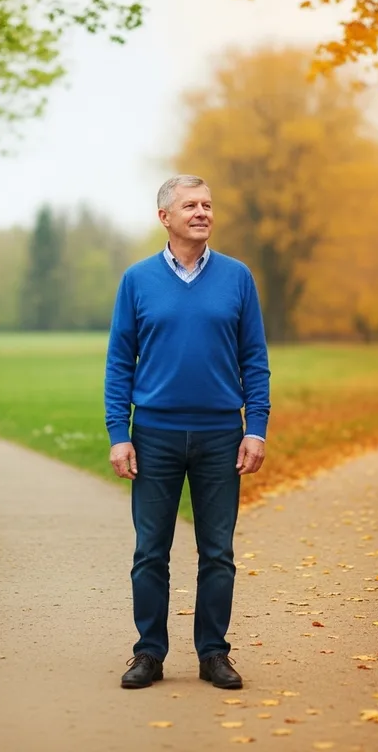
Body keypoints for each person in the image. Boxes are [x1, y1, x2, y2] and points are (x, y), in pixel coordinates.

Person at [104, 174, 271, 690]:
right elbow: (119, 364)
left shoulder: (238, 278)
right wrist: (119, 432)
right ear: (165, 218)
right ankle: (148, 653)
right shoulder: (137, 280)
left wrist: (256, 427)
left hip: (222, 433)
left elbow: (254, 360)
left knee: (217, 551)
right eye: (190, 205)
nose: (201, 212)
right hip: (154, 434)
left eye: (207, 205)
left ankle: (213, 654)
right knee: (150, 551)